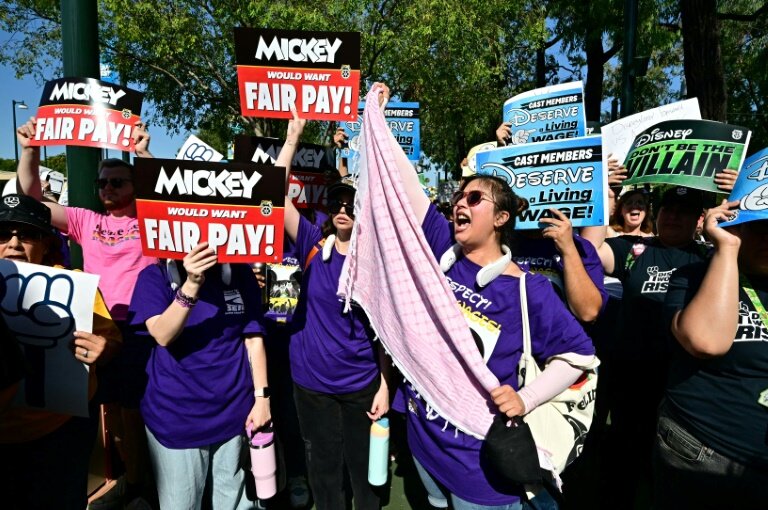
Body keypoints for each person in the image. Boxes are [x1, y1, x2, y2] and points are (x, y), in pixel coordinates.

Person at [15, 117, 157, 505]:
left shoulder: (151, 218)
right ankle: (123, 479)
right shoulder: (85, 219)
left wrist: (143, 152)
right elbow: (32, 201)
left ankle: (147, 484)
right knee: (102, 416)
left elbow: (172, 199)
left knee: (140, 415)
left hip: (143, 331)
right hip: (94, 330)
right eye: (102, 182)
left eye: (117, 181)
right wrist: (30, 149)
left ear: (134, 185)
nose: (107, 188)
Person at [274, 111, 390, 510]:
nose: (344, 209)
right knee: (324, 471)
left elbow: (387, 331)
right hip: (311, 383)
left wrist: (385, 384)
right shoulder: (309, 240)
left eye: (352, 204)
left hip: (360, 383)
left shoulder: (376, 259)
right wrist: (292, 138)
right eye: (337, 202)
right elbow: (274, 194)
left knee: (364, 471)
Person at [581, 186, 712, 506]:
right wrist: (600, 186)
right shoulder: (634, 248)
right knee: (622, 458)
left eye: (683, 211)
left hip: (680, 381)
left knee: (669, 466)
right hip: (629, 374)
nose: (673, 216)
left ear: (698, 220)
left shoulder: (709, 256)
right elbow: (589, 250)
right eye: (668, 209)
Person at [0, 194, 121, 509]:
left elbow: (112, 342)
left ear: (46, 244)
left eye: (27, 234)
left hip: (60, 436)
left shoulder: (77, 285)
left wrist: (103, 349)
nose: (14, 244)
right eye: (3, 234)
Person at [127, 243, 270, 509]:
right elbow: (162, 334)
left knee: (236, 501)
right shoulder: (154, 277)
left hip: (234, 412)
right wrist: (191, 284)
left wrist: (262, 399)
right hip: (178, 418)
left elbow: (253, 338)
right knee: (182, 503)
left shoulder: (240, 273)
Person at [654, 202, 768, 509]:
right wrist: (727, 249)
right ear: (737, 227)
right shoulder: (693, 275)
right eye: (760, 228)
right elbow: (704, 342)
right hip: (706, 451)